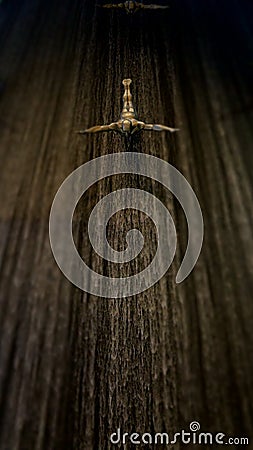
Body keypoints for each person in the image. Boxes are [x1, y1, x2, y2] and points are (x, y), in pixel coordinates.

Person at [78, 79, 179, 140]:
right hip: (129, 113)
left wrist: (169, 129)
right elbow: (100, 128)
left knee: (127, 101)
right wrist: (87, 131)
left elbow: (155, 127)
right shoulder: (118, 125)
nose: (126, 131)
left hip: (128, 113)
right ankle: (127, 86)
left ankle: (127, 86)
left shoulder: (136, 125)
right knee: (127, 101)